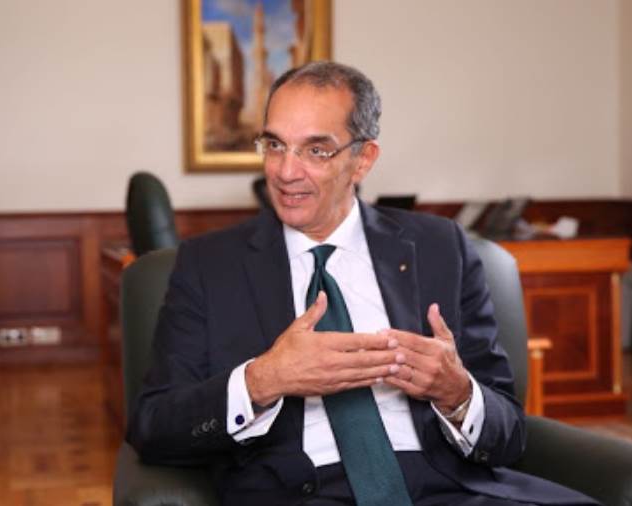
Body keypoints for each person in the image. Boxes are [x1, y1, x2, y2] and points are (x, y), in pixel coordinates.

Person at [127, 61, 597, 506]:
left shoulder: (440, 247)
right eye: (274, 145)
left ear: (363, 159)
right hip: (299, 493)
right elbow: (153, 426)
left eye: (316, 150)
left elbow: (509, 432)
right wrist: (264, 379)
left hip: (453, 488)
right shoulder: (209, 265)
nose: (286, 171)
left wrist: (456, 393)